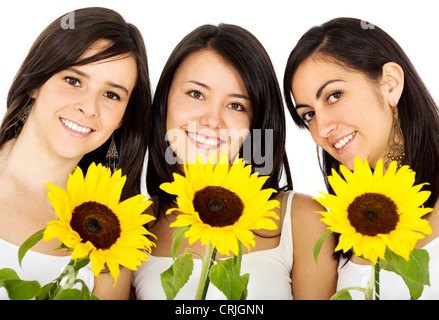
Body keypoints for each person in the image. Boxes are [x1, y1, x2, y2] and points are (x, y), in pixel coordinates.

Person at [133, 23, 337, 300]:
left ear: (256, 124)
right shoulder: (133, 225)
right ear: (165, 99)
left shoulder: (301, 220)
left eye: (236, 105)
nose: (212, 120)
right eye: (196, 94)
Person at [0, 7, 151, 300]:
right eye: (73, 80)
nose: (89, 107)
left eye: (111, 95)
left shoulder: (115, 234)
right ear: (35, 82)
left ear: (122, 118)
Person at [283, 17, 439, 299]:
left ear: (390, 84)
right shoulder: (336, 228)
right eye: (309, 114)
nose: (322, 128)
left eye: (334, 95)